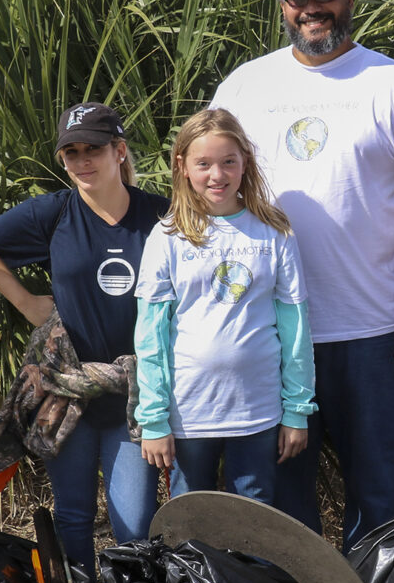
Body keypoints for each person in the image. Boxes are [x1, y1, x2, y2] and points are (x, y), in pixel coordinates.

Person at [210, 0, 394, 550]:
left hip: (375, 332)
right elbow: (210, 195)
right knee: (286, 501)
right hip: (271, 331)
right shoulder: (245, 86)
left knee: (375, 494)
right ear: (282, 8)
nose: (313, 9)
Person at [0, 103, 168, 574]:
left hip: (137, 396)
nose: (82, 161)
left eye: (92, 149)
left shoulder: (161, 215)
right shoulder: (53, 214)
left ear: (119, 151)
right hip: (68, 393)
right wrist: (27, 302)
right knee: (73, 516)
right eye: (70, 152)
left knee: (134, 524)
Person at [134, 108, 316, 502]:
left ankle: (248, 569)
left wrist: (296, 410)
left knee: (254, 515)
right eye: (204, 164)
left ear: (244, 163)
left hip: (258, 411)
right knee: (191, 516)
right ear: (183, 166)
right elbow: (151, 336)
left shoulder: (274, 233)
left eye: (228, 162)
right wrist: (153, 420)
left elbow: (295, 328)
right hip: (189, 413)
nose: (217, 175)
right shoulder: (166, 237)